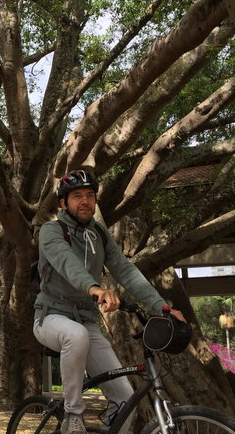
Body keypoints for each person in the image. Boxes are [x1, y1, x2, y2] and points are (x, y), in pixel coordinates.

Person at [33, 169, 185, 434]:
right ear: (63, 203)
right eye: (77, 196)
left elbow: (126, 272)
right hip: (50, 317)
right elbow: (67, 263)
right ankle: (72, 415)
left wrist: (162, 307)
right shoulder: (50, 231)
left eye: (90, 196)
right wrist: (95, 288)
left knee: (126, 401)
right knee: (76, 335)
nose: (84, 201)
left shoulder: (100, 234)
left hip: (85, 322)